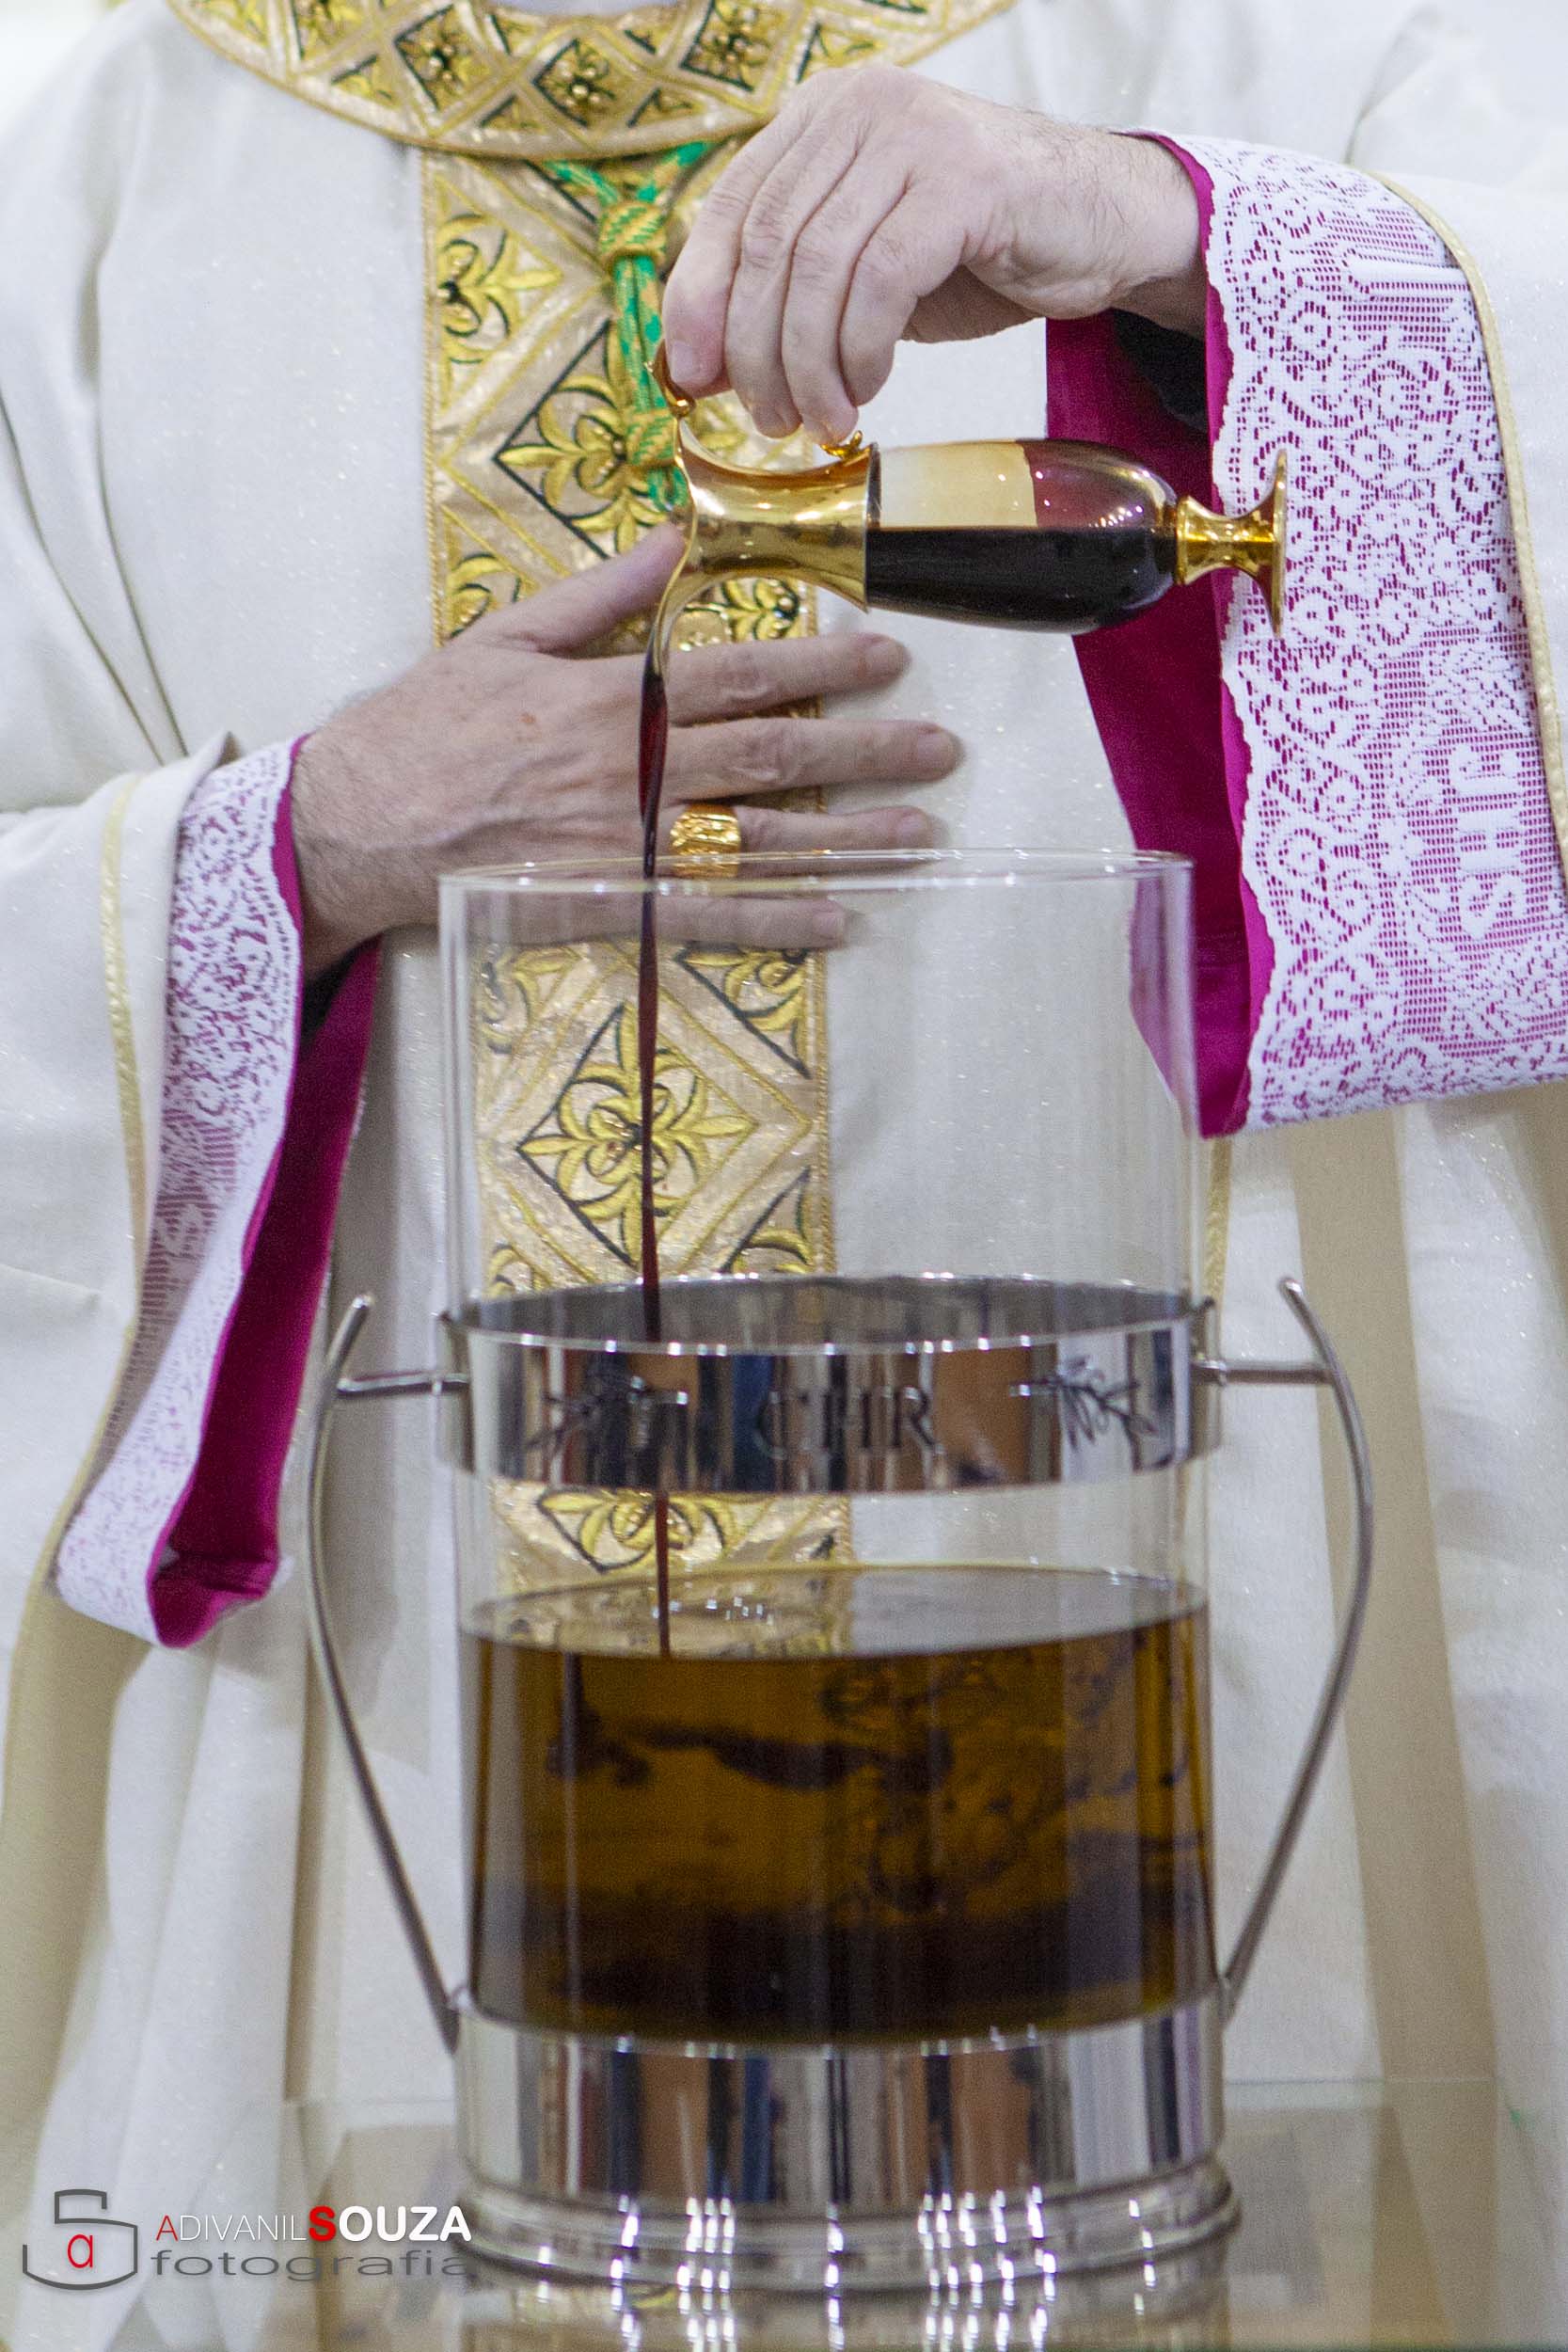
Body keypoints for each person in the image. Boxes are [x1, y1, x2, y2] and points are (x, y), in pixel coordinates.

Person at [2, 0, 1565, 2339]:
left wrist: (1178, 240)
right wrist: (300, 844)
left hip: (1194, 1715)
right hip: (391, 1756)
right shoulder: (87, 185)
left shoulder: (1326, 46)